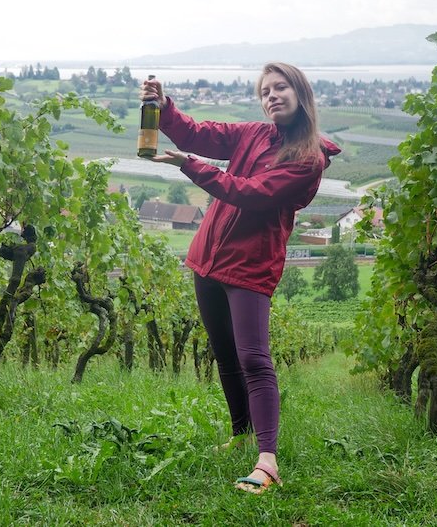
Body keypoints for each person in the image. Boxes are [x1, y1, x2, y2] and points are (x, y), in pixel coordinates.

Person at [141, 63, 341, 494]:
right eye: (265, 90)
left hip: (250, 266)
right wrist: (164, 107)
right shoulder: (253, 133)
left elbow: (251, 194)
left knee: (254, 359)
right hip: (208, 258)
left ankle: (267, 460)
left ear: (301, 93)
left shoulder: (308, 160)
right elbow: (201, 134)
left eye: (280, 87)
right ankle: (241, 435)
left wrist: (191, 167)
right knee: (225, 355)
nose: (271, 96)